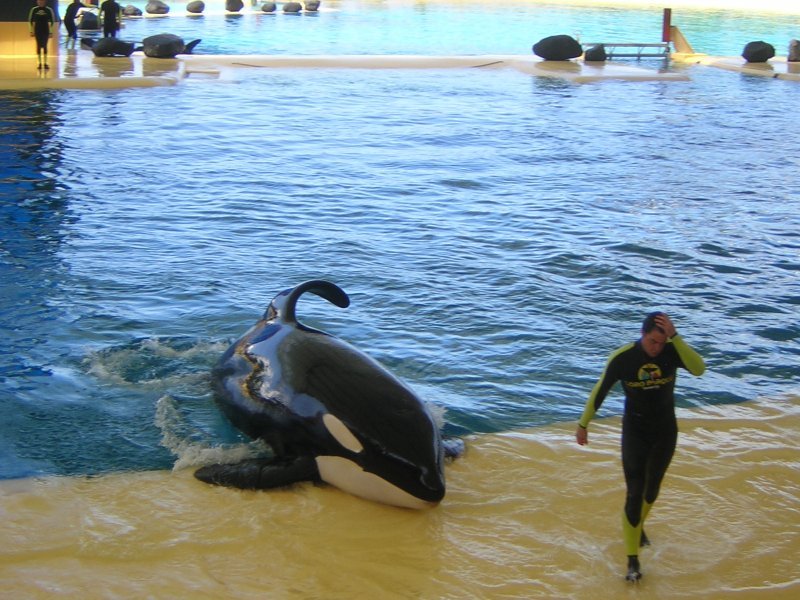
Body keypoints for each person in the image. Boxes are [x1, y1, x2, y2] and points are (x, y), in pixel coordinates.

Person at [575, 312, 705, 583]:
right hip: (635, 432)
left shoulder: (671, 351)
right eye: (652, 342)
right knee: (635, 492)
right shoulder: (624, 358)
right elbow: (600, 390)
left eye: (661, 342)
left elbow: (699, 368)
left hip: (665, 431)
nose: (656, 348)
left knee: (652, 489)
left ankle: (639, 527)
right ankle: (632, 561)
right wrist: (583, 424)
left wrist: (676, 338)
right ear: (643, 335)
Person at [29, 0, 55, 70]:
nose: (40, 2)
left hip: (45, 30)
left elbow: (52, 21)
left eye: (42, 1)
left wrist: (51, 32)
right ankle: (40, 63)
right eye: (39, 1)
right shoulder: (34, 10)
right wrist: (31, 31)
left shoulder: (49, 10)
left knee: (45, 46)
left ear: (45, 1)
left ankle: (45, 63)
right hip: (37, 30)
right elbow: (30, 21)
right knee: (38, 46)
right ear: (37, 2)